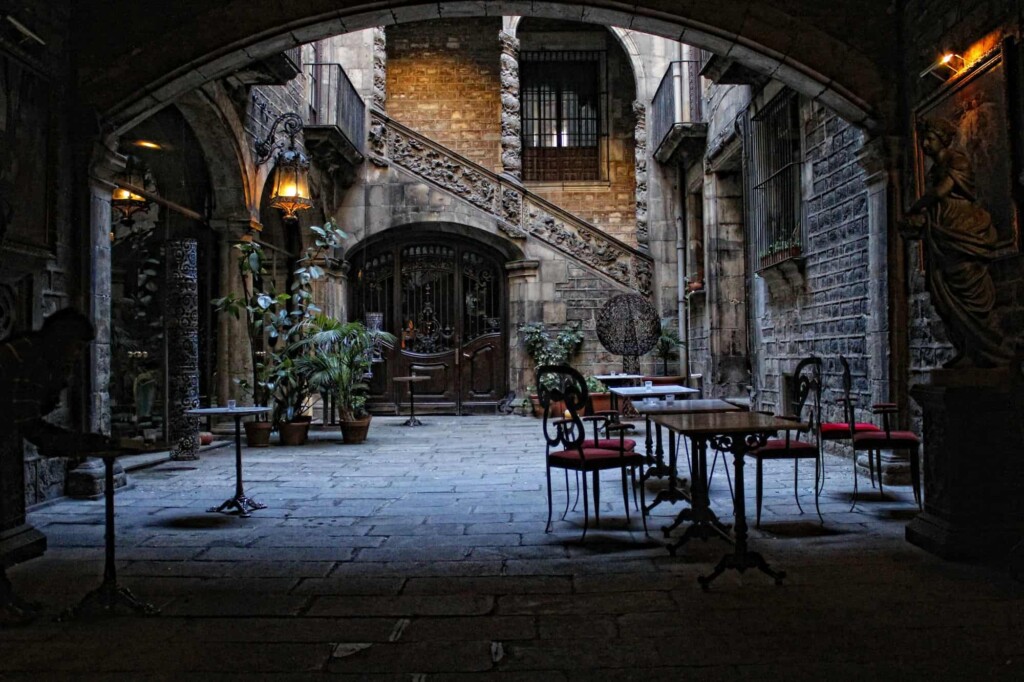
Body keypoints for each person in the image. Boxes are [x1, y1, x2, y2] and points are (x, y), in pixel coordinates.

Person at [0, 309, 112, 626]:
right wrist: (78, 442)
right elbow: (28, 424)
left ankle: (6, 600)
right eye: (76, 347)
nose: (77, 356)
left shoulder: (32, 353)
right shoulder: (26, 359)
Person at [900, 117, 1012, 368]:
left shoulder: (956, 160)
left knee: (966, 283)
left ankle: (987, 349)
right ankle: (965, 348)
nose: (925, 145)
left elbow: (940, 192)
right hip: (942, 227)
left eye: (929, 139)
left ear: (942, 139)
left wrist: (914, 208)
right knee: (941, 292)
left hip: (960, 224)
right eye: (923, 140)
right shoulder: (932, 169)